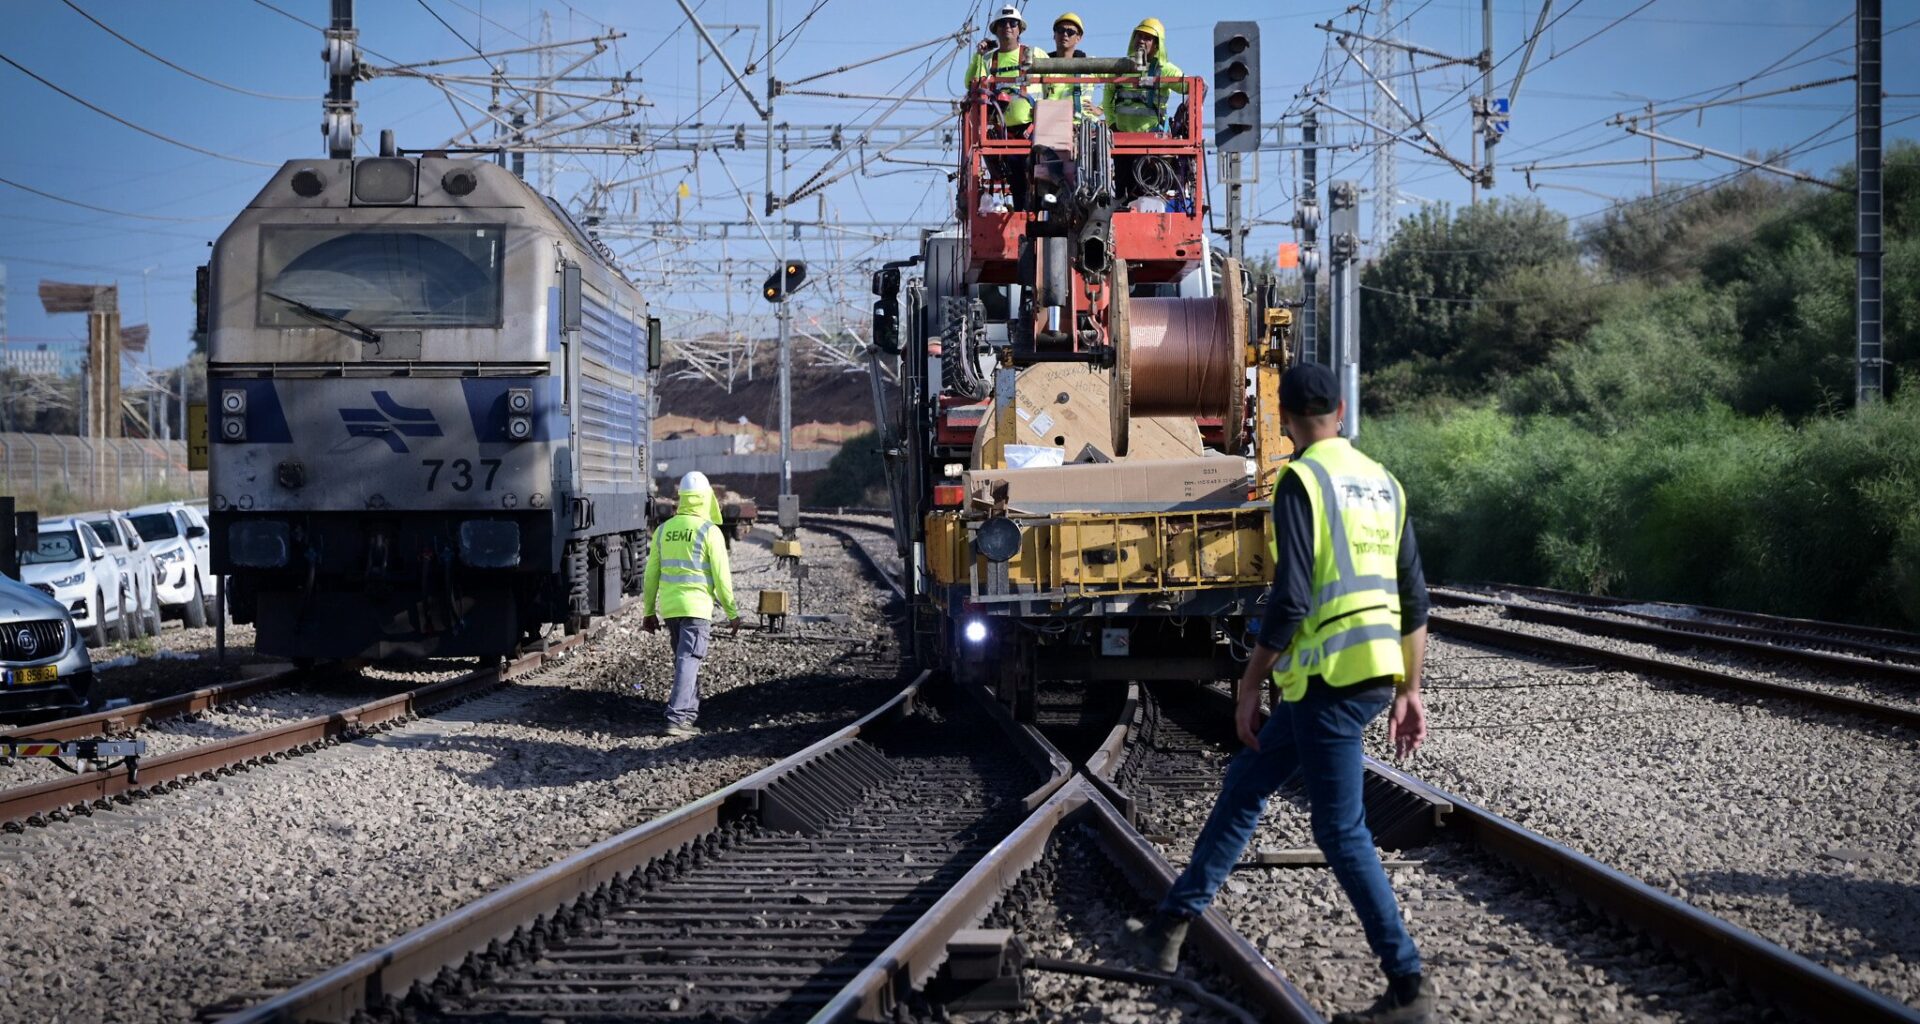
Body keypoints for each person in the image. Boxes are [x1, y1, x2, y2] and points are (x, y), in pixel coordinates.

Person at [1122, 363, 1437, 1024]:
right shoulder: (1384, 482)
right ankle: (1169, 927)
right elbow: (1415, 601)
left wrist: (1250, 679)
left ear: (1286, 418)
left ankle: (1409, 987)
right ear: (1343, 410)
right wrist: (1411, 688)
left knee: (1341, 831)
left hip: (1331, 678)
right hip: (1370, 674)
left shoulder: (1303, 481)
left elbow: (1292, 597)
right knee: (1247, 784)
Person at [642, 470, 743, 738]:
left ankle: (688, 716)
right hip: (697, 609)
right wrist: (733, 613)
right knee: (689, 660)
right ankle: (676, 719)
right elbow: (722, 578)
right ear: (706, 498)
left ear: (682, 498)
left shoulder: (664, 530)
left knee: (686, 661)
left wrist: (649, 611)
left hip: (672, 609)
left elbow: (651, 575)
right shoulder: (710, 532)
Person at [1103, 18, 1188, 201]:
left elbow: (1192, 86)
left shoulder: (1165, 70)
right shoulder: (1121, 67)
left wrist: (1189, 108)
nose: (1142, 40)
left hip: (1150, 142)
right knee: (1122, 194)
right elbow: (1108, 96)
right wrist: (1112, 124)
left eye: (1148, 38)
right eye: (1139, 36)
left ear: (1157, 45)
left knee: (1146, 192)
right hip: (1122, 139)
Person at [966, 5, 1040, 210]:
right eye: (1002, 23)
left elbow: (1056, 82)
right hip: (1006, 131)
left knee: (1042, 172)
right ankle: (1022, 214)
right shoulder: (989, 59)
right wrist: (979, 55)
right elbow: (971, 83)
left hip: (1033, 127)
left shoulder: (1034, 54)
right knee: (1017, 173)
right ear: (996, 30)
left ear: (1020, 29)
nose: (1008, 26)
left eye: (1012, 23)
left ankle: (1039, 211)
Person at [1041, 12, 1100, 122]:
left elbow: (1117, 79)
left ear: (1078, 38)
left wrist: (1101, 109)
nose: (1065, 34)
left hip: (1083, 127)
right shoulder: (1042, 65)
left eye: (1070, 32)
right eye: (1060, 30)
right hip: (1051, 126)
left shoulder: (1089, 64)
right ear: (1054, 35)